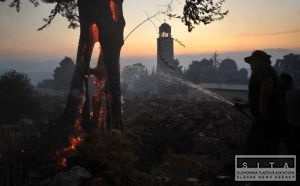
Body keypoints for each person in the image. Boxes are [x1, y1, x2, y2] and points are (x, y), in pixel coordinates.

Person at [237, 50, 286, 155]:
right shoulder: (271, 70)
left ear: (257, 60)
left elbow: (267, 82)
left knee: (252, 146)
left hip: (266, 117)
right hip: (275, 117)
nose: (250, 65)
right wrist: (245, 106)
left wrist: (262, 105)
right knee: (269, 148)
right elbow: (269, 96)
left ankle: (247, 169)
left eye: (251, 62)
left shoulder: (260, 66)